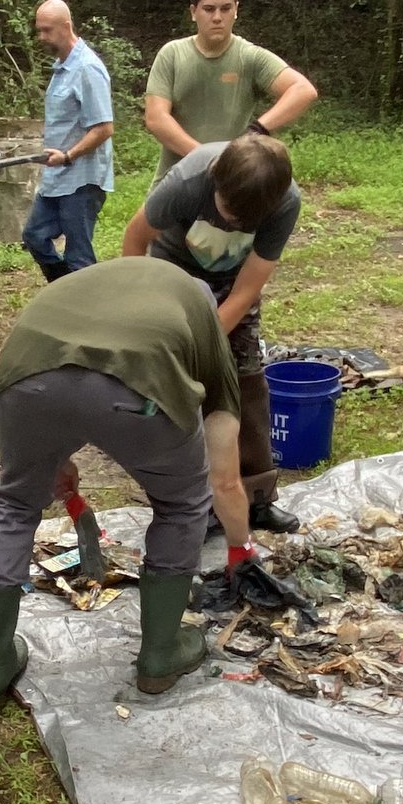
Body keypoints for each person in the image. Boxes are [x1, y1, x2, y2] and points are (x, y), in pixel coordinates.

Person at [0, 256, 257, 704]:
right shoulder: (201, 322)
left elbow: (5, 363)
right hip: (137, 392)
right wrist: (240, 546)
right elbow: (224, 479)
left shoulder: (102, 283)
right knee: (181, 505)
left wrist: (49, 457)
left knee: (14, 502)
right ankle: (160, 654)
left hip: (26, 376)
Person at [120, 133, 304, 534]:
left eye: (246, 223)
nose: (235, 224)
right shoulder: (188, 181)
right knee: (178, 388)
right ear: (215, 179)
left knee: (248, 381)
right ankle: (193, 504)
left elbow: (248, 287)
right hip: (173, 275)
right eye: (229, 213)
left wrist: (210, 339)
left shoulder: (285, 201)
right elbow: (135, 240)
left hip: (232, 284)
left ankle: (256, 498)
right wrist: (140, 304)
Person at [141, 0, 317, 178]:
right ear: (193, 12)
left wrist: (257, 130)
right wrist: (205, 158)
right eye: (208, 9)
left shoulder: (250, 57)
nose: (217, 17)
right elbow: (156, 118)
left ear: (236, 10)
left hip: (232, 183)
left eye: (225, 8)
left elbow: (303, 90)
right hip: (175, 179)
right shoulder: (172, 54)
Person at [21, 0, 115, 281]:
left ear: (66, 26)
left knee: (79, 257)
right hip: (57, 178)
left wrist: (69, 155)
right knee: (35, 235)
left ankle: (85, 314)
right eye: (39, 30)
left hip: (82, 179)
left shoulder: (87, 68)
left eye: (47, 30)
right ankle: (65, 289)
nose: (41, 37)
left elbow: (104, 127)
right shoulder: (61, 67)